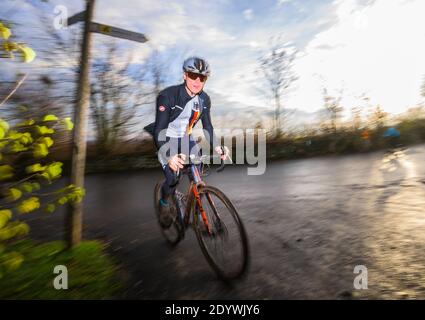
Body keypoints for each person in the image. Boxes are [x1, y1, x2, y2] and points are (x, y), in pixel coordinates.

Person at [144, 56, 227, 227]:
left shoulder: (204, 100)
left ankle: (195, 196)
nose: (197, 81)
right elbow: (159, 129)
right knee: (173, 178)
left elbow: (208, 127)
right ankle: (164, 203)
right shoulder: (167, 96)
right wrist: (169, 156)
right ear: (185, 75)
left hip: (185, 138)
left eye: (202, 77)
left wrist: (217, 147)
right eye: (192, 75)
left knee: (197, 171)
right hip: (166, 137)